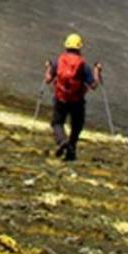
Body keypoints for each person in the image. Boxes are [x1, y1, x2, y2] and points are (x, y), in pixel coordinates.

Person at [43, 33, 103, 161]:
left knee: (57, 122)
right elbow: (94, 85)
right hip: (77, 101)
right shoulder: (83, 65)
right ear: (79, 48)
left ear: (66, 46)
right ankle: (71, 149)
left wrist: (48, 68)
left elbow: (48, 79)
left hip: (60, 98)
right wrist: (97, 71)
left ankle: (62, 141)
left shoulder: (58, 61)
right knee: (77, 126)